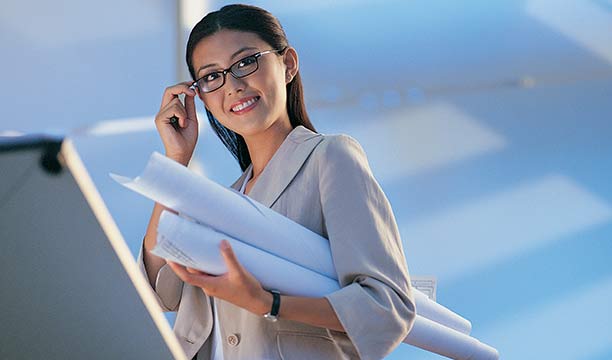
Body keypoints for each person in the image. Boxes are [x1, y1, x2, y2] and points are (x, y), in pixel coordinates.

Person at [138, 4, 415, 360]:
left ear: (288, 64)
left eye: (245, 63)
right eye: (211, 77)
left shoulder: (330, 158)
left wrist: (268, 303)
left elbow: (386, 307)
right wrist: (176, 162)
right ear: (199, 95)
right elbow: (159, 293)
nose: (233, 86)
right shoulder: (218, 203)